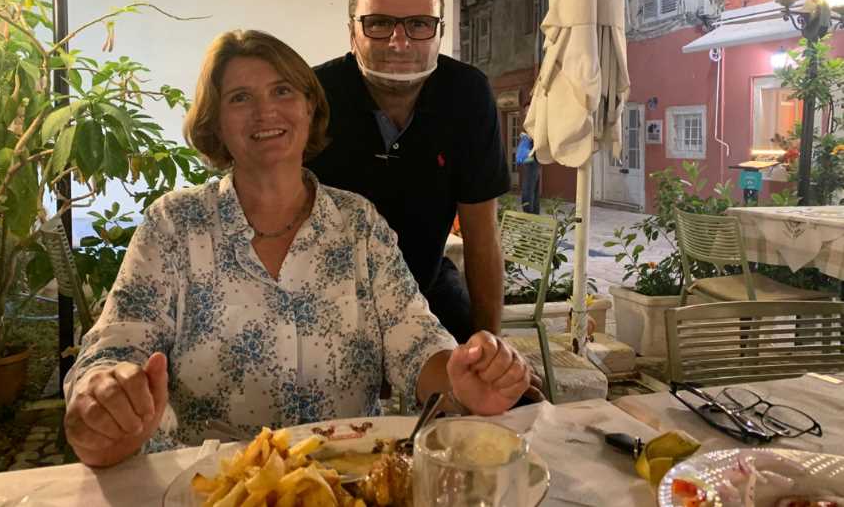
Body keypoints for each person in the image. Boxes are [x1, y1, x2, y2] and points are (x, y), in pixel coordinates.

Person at [62, 29, 533, 468]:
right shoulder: (174, 226)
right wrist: (105, 400)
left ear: (311, 109)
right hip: (215, 487)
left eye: (283, 91)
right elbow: (117, 346)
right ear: (215, 123)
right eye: (240, 98)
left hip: (345, 482)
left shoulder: (358, 223)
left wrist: (463, 383)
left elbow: (416, 343)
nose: (266, 112)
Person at [306, 0, 510, 344]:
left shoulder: (466, 94)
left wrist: (490, 345)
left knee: (501, 394)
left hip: (426, 285)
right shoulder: (313, 96)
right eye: (379, 24)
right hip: (327, 298)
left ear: (439, 33)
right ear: (352, 32)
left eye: (418, 24)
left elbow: (482, 235)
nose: (399, 43)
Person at [516, 126, 541, 215]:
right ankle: (534, 212)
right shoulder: (528, 136)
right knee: (533, 189)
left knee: (528, 189)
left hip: (531, 162)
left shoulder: (529, 135)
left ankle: (529, 212)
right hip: (533, 162)